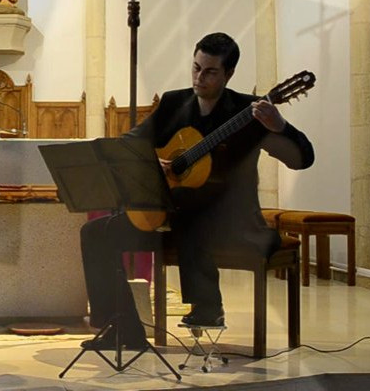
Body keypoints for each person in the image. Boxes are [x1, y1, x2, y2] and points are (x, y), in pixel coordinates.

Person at [79, 32, 314, 349]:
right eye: (196, 68)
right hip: (172, 221)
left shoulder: (250, 112)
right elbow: (131, 143)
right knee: (95, 233)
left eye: (210, 71)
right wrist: (153, 161)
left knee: (194, 207)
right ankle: (122, 329)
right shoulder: (175, 103)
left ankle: (207, 307)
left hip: (228, 225)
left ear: (229, 74)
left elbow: (302, 159)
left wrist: (281, 128)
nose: (199, 77)